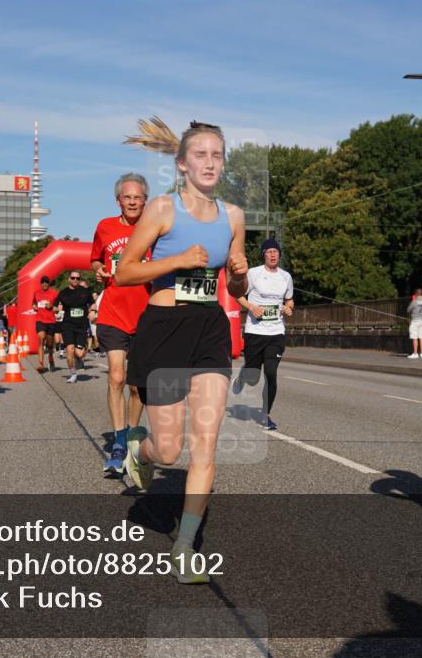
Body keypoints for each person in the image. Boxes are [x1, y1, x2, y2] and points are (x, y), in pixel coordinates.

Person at [115, 121, 249, 583]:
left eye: (217, 155)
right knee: (169, 451)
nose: (210, 163)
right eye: (201, 155)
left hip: (209, 330)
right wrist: (177, 260)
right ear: (182, 163)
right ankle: (141, 450)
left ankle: (185, 547)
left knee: (205, 447)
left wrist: (239, 273)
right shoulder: (162, 209)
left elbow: (234, 284)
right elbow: (125, 272)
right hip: (165, 329)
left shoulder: (233, 216)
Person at [90, 173, 152, 473]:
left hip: (145, 316)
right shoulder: (105, 227)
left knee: (138, 387)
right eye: (127, 197)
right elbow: (95, 260)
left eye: (137, 197)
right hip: (113, 312)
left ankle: (131, 436)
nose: (131, 201)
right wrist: (100, 268)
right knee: (116, 376)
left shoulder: (155, 229)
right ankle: (117, 441)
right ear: (119, 200)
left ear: (145, 201)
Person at [232, 238, 294, 430]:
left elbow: (289, 300)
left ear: (279, 255)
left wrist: (289, 309)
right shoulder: (253, 273)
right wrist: (251, 306)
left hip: (276, 332)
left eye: (275, 251)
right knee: (253, 377)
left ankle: (266, 415)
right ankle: (244, 376)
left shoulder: (286, 277)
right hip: (255, 332)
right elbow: (237, 294)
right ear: (263, 255)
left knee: (271, 372)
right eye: (269, 252)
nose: (273, 255)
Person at [53, 271, 93, 383]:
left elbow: (93, 303)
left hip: (81, 326)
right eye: (73, 278)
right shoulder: (63, 293)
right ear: (69, 279)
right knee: (70, 350)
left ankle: (80, 354)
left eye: (77, 278)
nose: (75, 280)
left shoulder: (85, 291)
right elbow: (55, 306)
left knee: (79, 353)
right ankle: (73, 373)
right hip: (68, 325)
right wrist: (56, 309)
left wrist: (93, 311)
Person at [33, 275, 59, 372]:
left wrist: (52, 306)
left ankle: (51, 357)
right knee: (41, 338)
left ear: (49, 283)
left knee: (50, 344)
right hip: (40, 320)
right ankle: (40, 364)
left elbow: (58, 308)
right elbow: (34, 303)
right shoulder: (36, 293)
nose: (44, 284)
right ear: (41, 283)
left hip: (51, 321)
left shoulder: (55, 293)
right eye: (43, 282)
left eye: (46, 282)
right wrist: (34, 306)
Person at [406, 288, 422, 359]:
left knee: (414, 337)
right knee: (421, 337)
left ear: (416, 294)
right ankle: (421, 353)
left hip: (415, 320)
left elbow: (408, 310)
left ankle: (415, 353)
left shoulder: (414, 302)